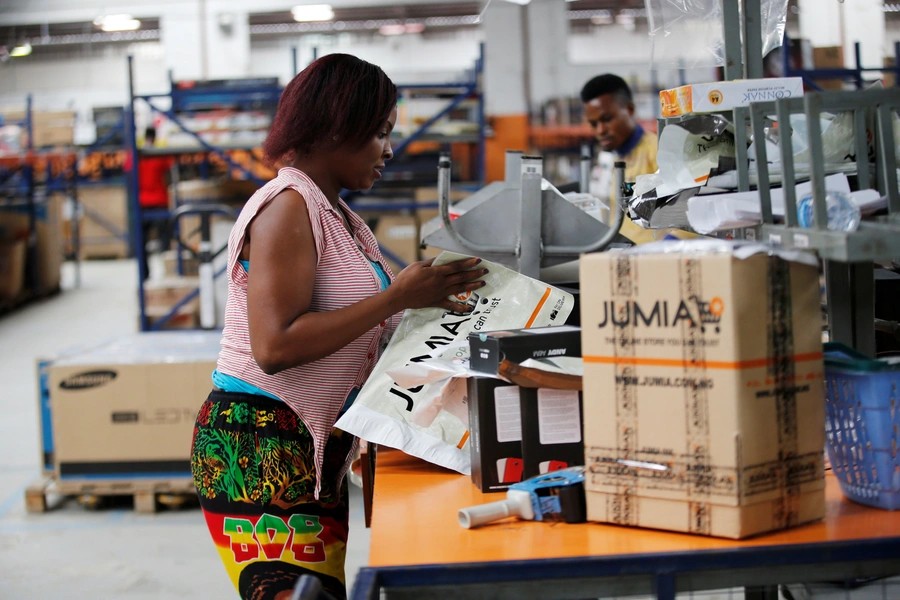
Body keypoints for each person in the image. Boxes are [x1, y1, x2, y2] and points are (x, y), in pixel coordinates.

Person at [190, 54, 486, 600]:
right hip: (258, 449)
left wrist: (437, 309)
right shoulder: (285, 207)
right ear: (333, 128)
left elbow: (367, 327)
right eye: (378, 134)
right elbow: (274, 346)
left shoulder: (340, 218)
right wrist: (398, 295)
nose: (389, 150)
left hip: (313, 446)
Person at [580, 74, 658, 244]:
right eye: (593, 124)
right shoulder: (612, 159)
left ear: (629, 110)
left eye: (607, 119)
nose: (600, 130)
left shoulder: (657, 151)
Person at [133, 126, 174, 279]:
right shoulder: (159, 154)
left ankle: (145, 274)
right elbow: (169, 171)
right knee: (165, 240)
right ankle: (169, 272)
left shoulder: (139, 155)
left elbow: (129, 170)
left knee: (142, 242)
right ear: (155, 137)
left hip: (142, 203)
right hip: (160, 201)